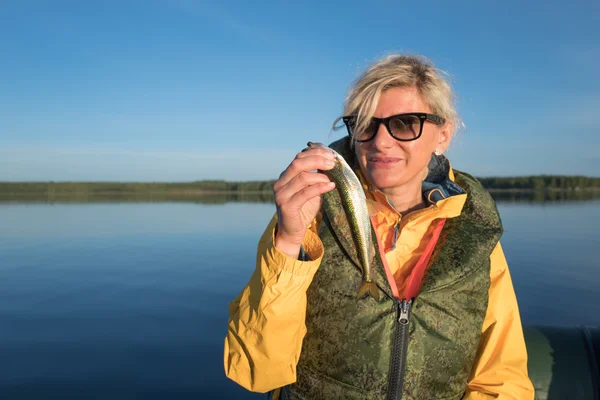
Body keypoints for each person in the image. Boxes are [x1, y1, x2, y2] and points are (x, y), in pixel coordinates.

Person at [224, 54, 534, 399]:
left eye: (405, 123)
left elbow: (501, 381)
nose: (380, 142)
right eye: (366, 124)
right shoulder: (307, 219)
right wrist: (288, 240)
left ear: (442, 135)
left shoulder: (475, 234)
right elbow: (256, 372)